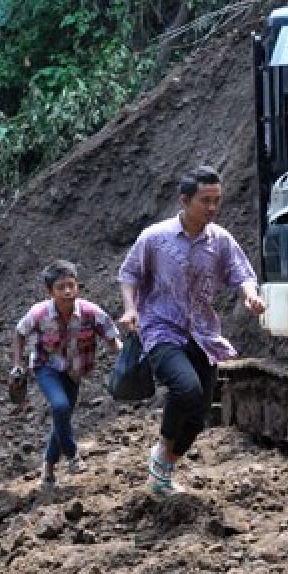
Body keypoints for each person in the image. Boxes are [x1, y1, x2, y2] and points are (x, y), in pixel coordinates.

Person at [117, 165, 266, 495]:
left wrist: (250, 296)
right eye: (205, 201)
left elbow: (242, 275)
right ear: (184, 201)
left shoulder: (220, 240)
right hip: (161, 329)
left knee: (198, 419)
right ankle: (161, 460)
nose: (212, 208)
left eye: (217, 200)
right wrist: (130, 309)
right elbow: (129, 275)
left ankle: (163, 460)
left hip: (202, 333)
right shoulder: (155, 238)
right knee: (187, 389)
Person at [13, 259, 122, 488]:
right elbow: (20, 332)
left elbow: (113, 339)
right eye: (61, 287)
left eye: (71, 285)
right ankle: (72, 455)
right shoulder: (40, 313)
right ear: (50, 292)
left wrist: (126, 355)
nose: (68, 291)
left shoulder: (91, 313)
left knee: (61, 418)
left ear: (77, 286)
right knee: (60, 407)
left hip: (74, 372)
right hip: (46, 368)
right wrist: (17, 364)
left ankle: (49, 471)